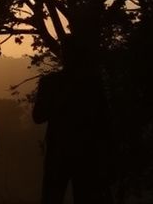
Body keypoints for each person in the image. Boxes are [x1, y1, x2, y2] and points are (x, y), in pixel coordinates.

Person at [33, 64, 111, 204]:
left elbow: (38, 116)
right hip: (85, 152)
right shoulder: (92, 83)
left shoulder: (50, 82)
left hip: (60, 152)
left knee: (53, 197)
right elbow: (104, 121)